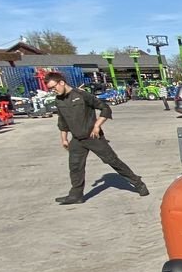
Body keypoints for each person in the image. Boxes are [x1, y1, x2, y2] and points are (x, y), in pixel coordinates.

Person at [47, 73, 148, 205]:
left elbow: (105, 108)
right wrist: (64, 138)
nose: (53, 90)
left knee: (112, 161)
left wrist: (97, 126)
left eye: (53, 87)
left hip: (93, 137)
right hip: (77, 139)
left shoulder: (82, 95)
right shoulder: (59, 100)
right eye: (50, 89)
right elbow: (62, 121)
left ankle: (139, 184)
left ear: (61, 82)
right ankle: (76, 195)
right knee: (75, 167)